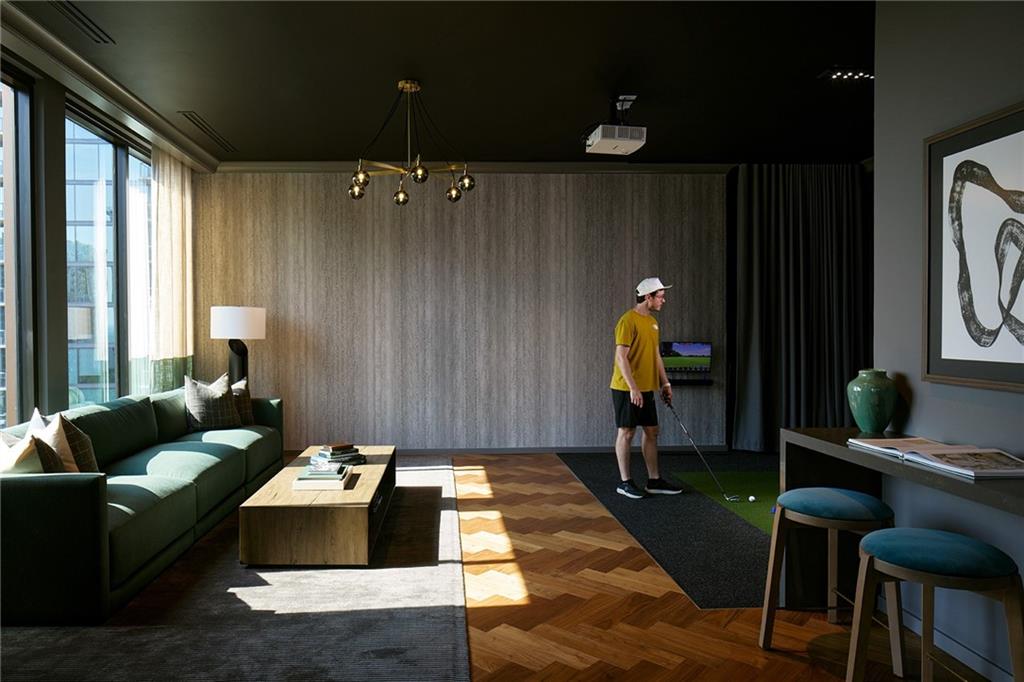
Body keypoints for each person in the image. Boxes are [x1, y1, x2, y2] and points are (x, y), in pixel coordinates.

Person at [610, 277, 683, 499]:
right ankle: (625, 482)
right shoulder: (627, 320)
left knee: (652, 431)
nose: (664, 300)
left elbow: (656, 356)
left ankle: (654, 480)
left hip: (647, 387)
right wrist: (633, 388)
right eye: (660, 296)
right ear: (647, 297)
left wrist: (665, 382)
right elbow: (621, 357)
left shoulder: (652, 322)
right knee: (627, 432)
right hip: (626, 388)